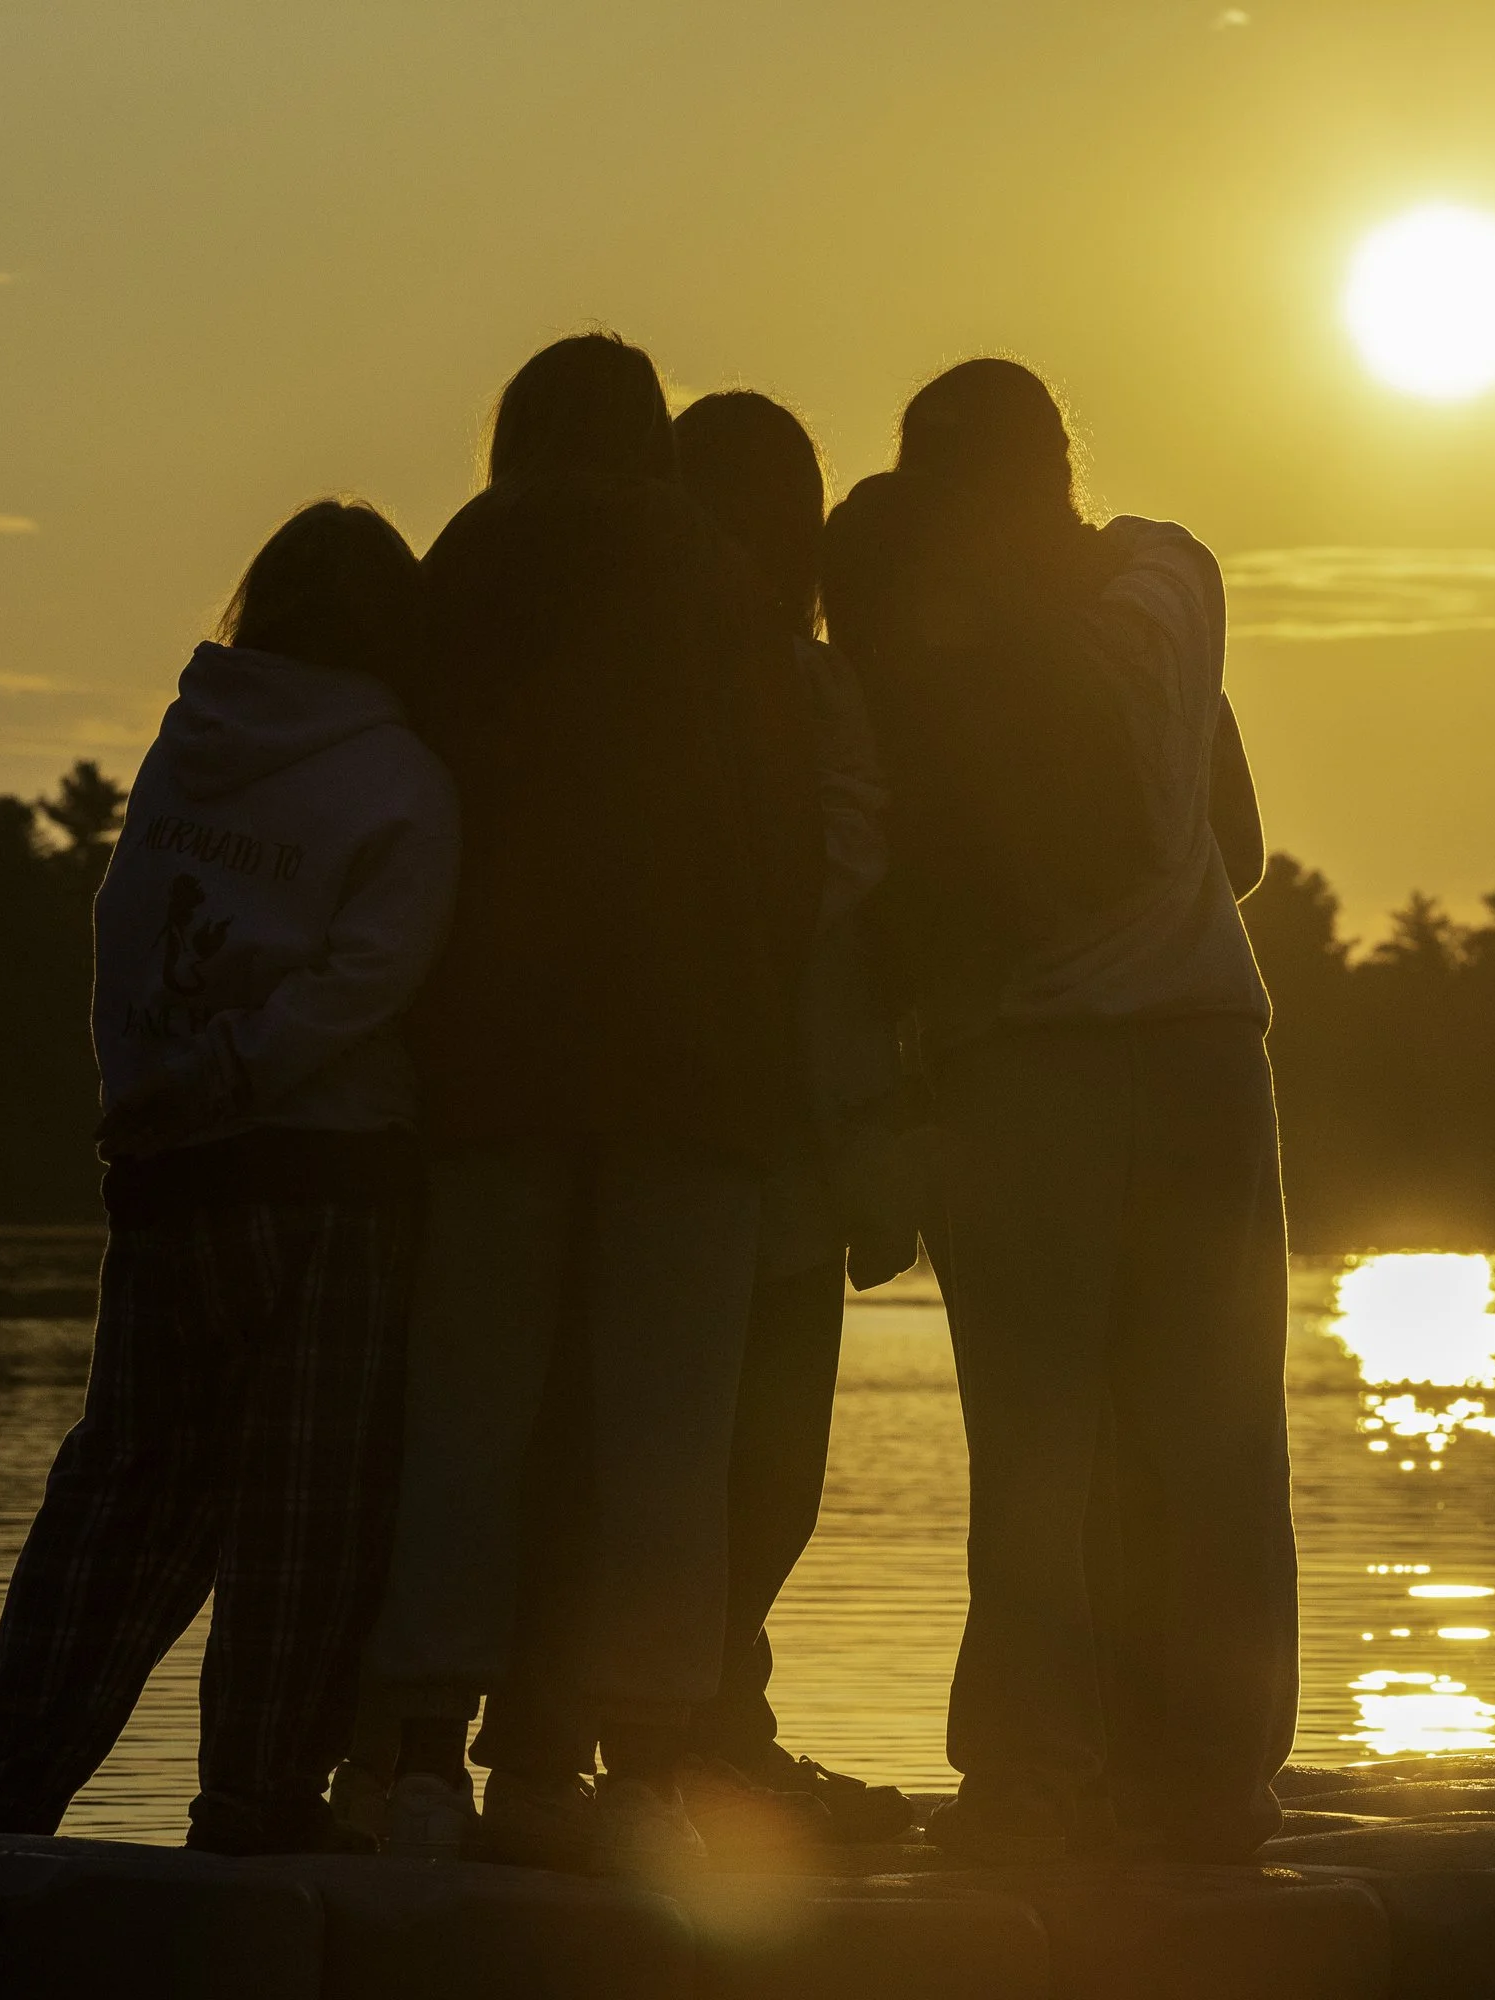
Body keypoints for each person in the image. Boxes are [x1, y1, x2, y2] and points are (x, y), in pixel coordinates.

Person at [342, 334, 826, 1872]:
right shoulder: (735, 599)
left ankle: (425, 1752)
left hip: (497, 1068)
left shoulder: (463, 574)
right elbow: (792, 850)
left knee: (469, 1420)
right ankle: (652, 1761)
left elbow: (407, 792)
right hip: (698, 1079)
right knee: (667, 1439)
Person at [0, 499, 459, 1856]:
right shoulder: (402, 773)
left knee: (121, 1492)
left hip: (168, 1178)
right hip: (326, 1179)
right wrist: (236, 1071)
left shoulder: (192, 739)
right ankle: (259, 1796)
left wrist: (146, 1083)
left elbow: (123, 918)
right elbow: (370, 977)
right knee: (305, 1500)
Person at [821, 359, 1295, 1867]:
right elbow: (1250, 846)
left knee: (1035, 1439)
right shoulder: (1171, 577)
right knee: (1218, 1434)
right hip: (1213, 1058)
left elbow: (909, 897)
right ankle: (1214, 1774)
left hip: (1031, 1076)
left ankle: (1034, 1773)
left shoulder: (932, 649)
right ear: (1062, 467)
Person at [667, 389, 920, 1841]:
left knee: (698, 1470)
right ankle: (702, 1745)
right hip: (759, 1141)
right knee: (756, 1472)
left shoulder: (639, 687)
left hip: (696, 1132)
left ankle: (697, 1739)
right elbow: (849, 889)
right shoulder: (805, 691)